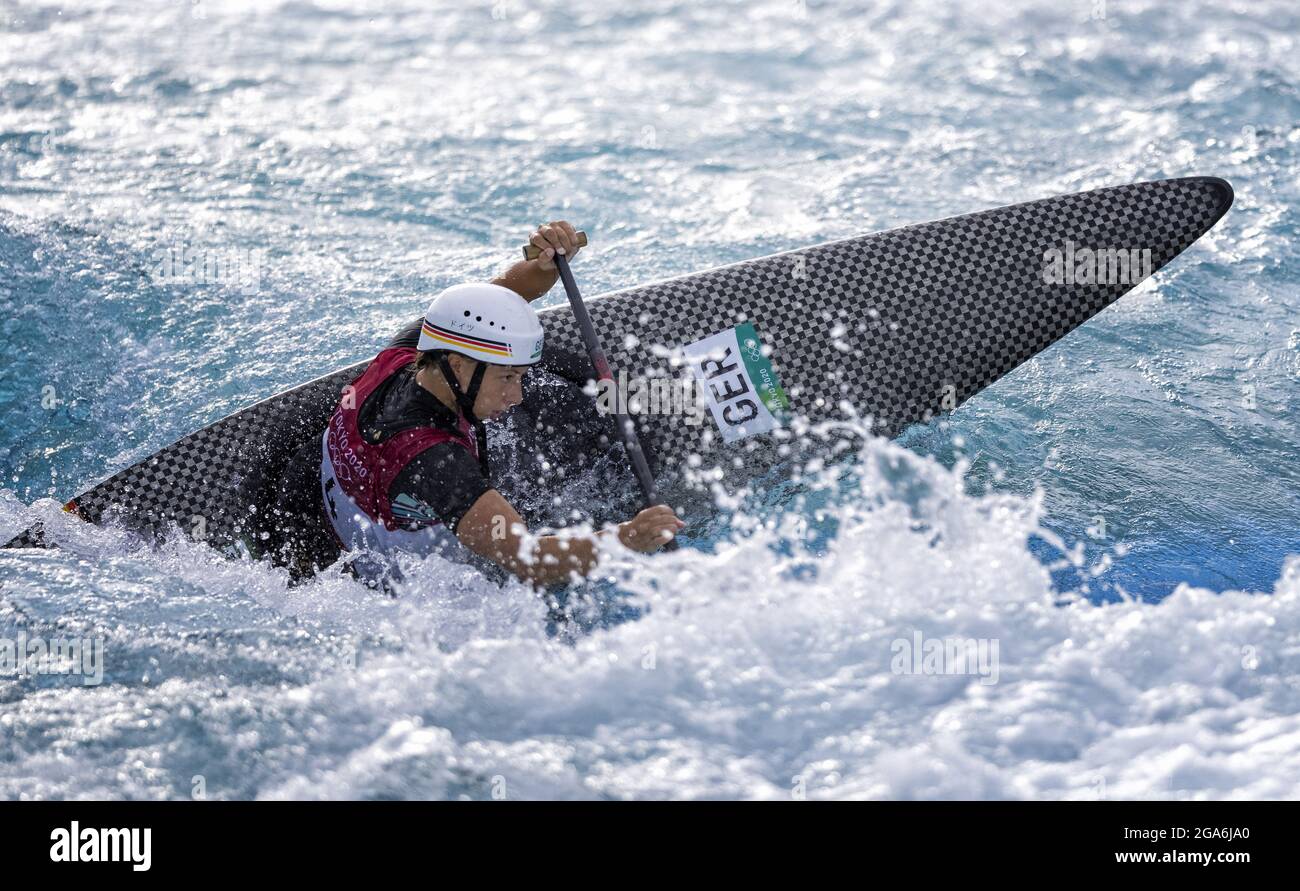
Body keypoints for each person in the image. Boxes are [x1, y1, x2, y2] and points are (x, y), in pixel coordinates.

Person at [268, 221, 683, 589]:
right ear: (457, 364)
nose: (516, 394)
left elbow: (501, 292)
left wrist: (543, 266)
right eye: (507, 378)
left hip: (334, 490)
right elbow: (529, 560)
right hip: (394, 575)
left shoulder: (408, 354)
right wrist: (627, 538)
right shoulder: (434, 460)